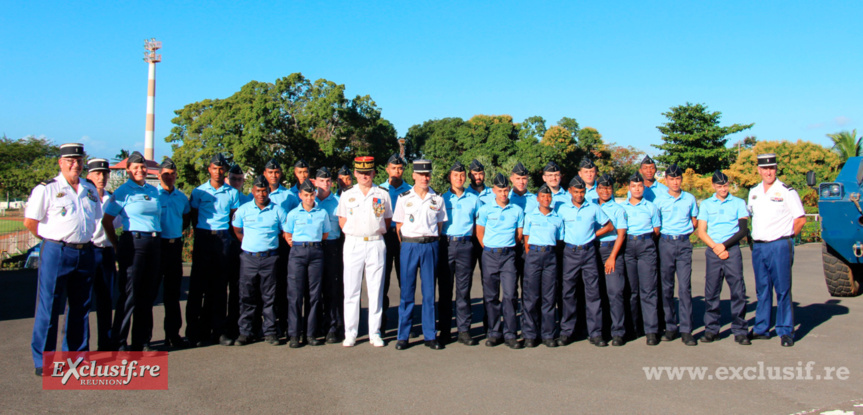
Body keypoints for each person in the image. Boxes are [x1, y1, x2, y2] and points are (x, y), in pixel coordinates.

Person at [24, 143, 101, 376]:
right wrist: (51, 240)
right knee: (49, 305)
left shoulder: (89, 188)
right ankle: (44, 360)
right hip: (57, 251)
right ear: (61, 162)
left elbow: (95, 218)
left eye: (79, 160)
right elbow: (31, 222)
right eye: (70, 160)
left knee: (80, 307)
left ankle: (76, 356)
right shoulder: (47, 189)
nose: (75, 165)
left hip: (84, 251)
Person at [102, 151, 162, 351]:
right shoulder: (122, 192)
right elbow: (107, 221)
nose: (140, 170)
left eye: (142, 167)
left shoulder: (153, 190)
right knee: (130, 295)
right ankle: (119, 342)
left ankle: (141, 342)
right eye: (135, 167)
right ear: (128, 170)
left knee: (147, 294)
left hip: (153, 242)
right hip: (134, 243)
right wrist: (117, 245)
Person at [747, 153, 806, 347]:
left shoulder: (787, 191)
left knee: (782, 289)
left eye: (771, 168)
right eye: (764, 169)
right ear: (759, 170)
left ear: (776, 169)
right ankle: (761, 328)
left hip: (779, 245)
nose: (768, 172)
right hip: (759, 246)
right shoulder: (753, 192)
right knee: (762, 289)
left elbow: (800, 219)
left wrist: (787, 236)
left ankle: (785, 330)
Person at [337, 156, 393, 347]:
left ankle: (374, 332)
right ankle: (350, 332)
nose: (364, 176)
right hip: (354, 243)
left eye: (367, 172)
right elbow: (342, 220)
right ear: (355, 173)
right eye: (361, 172)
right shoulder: (347, 194)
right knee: (351, 290)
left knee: (376, 290)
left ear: (374, 173)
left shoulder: (382, 194)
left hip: (375, 242)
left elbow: (387, 220)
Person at [187, 153, 241, 347]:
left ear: (224, 170)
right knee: (198, 287)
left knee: (219, 287)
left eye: (221, 168)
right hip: (204, 236)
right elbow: (194, 216)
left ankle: (218, 331)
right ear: (209, 169)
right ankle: (194, 332)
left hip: (223, 237)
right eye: (214, 168)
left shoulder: (232, 193)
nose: (218, 172)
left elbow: (233, 217)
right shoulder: (199, 192)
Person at [392, 160, 447, 350]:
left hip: (430, 245)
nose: (425, 178)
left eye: (427, 174)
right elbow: (399, 226)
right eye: (421, 175)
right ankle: (403, 336)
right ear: (414, 175)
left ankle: (430, 335)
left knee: (429, 292)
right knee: (407, 292)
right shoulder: (403, 198)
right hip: (410, 245)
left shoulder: (437, 199)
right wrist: (408, 243)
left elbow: (439, 225)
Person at [556, 176, 613, 347]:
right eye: (576, 192)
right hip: (570, 252)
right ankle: (567, 331)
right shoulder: (562, 209)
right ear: (570, 191)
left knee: (593, 293)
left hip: (588, 252)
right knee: (568, 293)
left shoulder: (593, 208)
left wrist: (593, 235)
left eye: (582, 192)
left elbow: (609, 226)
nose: (579, 195)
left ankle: (595, 333)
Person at [696, 171, 751, 345]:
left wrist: (724, 246)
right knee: (711, 292)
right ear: (713, 186)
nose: (723, 189)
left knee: (738, 291)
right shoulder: (706, 204)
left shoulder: (738, 203)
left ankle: (740, 330)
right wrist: (716, 248)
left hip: (731, 250)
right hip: (714, 251)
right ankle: (711, 330)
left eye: (725, 185)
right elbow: (701, 231)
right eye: (719, 186)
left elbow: (743, 230)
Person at [231, 175, 287, 346]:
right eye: (258, 191)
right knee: (247, 296)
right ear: (252, 191)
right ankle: (246, 332)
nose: (261, 194)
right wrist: (250, 245)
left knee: (270, 297)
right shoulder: (243, 210)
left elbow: (284, 232)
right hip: (249, 259)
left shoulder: (278, 210)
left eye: (264, 191)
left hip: (270, 258)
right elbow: (237, 230)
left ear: (268, 191)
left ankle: (270, 331)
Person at [476, 173, 525, 349]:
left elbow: (519, 234)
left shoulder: (517, 210)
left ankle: (510, 333)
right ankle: (494, 333)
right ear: (494, 190)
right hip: (490, 254)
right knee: (491, 296)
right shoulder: (485, 209)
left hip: (508, 255)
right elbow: (479, 233)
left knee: (510, 295)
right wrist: (490, 247)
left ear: (509, 190)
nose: (503, 194)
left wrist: (506, 246)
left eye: (505, 190)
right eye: (500, 190)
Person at [653, 164, 698, 346]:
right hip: (666, 243)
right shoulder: (659, 200)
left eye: (678, 178)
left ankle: (686, 330)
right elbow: (656, 224)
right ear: (666, 180)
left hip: (683, 243)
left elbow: (694, 221)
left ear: (681, 179)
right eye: (671, 179)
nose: (675, 182)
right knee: (667, 287)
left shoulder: (689, 198)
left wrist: (683, 235)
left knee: (685, 287)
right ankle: (670, 327)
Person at [438, 161, 481, 346]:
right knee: (445, 290)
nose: (459, 178)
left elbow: (479, 224)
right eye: (456, 175)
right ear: (450, 177)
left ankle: (464, 330)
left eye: (462, 175)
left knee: (464, 291)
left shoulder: (474, 199)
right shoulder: (442, 199)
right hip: (446, 245)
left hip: (465, 246)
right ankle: (445, 331)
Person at [284, 179, 331, 347]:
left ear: (315, 194)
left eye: (311, 194)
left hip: (316, 252)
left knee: (314, 295)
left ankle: (311, 334)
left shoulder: (322, 213)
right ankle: (294, 334)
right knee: (295, 295)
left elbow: (325, 234)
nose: (309, 198)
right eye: (306, 195)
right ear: (300, 195)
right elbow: (287, 233)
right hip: (298, 252)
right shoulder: (293, 214)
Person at [621, 171, 662, 345]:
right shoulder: (622, 207)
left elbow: (656, 230)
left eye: (639, 186)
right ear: (629, 188)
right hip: (628, 246)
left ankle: (651, 330)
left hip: (646, 245)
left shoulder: (651, 207)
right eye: (634, 186)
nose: (637, 189)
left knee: (648, 289)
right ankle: (633, 328)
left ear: (644, 188)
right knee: (631, 290)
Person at [521, 184, 563, 348]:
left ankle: (548, 334)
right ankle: (530, 334)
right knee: (531, 297)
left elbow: (559, 240)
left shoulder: (557, 218)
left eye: (549, 196)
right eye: (543, 196)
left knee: (549, 297)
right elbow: (526, 238)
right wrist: (531, 255)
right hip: (534, 254)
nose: (546, 199)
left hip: (550, 255)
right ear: (537, 199)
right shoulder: (530, 216)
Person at [86, 158, 121, 351]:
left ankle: (105, 343)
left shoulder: (112, 198)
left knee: (106, 300)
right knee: (82, 302)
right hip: (88, 250)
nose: (102, 177)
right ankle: (80, 346)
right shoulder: (83, 196)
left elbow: (117, 223)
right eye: (97, 173)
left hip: (106, 251)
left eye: (105, 174)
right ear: (89, 175)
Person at [156, 158, 191, 349]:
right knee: (150, 293)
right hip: (157, 245)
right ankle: (144, 338)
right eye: (166, 174)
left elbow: (185, 219)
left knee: (173, 293)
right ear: (159, 175)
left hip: (174, 245)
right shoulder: (153, 195)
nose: (169, 177)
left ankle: (173, 335)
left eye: (172, 174)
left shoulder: (181, 198)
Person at [262, 158, 297, 337]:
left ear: (281, 174)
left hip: (283, 243)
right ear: (264, 174)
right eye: (270, 172)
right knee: (266, 287)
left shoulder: (289, 196)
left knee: (282, 284)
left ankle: (283, 323)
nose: (273, 175)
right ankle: (264, 324)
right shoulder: (258, 192)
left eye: (276, 172)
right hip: (265, 243)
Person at [378, 153, 411, 336]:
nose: (397, 171)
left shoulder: (410, 190)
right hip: (384, 236)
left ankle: (406, 323)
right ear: (387, 169)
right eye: (393, 168)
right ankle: (381, 324)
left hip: (403, 237)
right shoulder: (379, 190)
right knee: (382, 281)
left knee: (405, 281)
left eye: (400, 168)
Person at [595, 174, 628, 346]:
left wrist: (612, 257)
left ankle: (618, 331)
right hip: (593, 250)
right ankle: (600, 331)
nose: (605, 191)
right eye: (602, 188)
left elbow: (621, 234)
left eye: (608, 188)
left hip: (611, 249)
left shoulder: (618, 209)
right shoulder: (591, 206)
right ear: (597, 189)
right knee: (596, 293)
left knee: (615, 292)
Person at [314, 167, 344, 343]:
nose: (325, 184)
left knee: (332, 288)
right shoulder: (309, 201)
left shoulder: (339, 202)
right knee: (314, 289)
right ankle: (316, 325)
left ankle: (333, 326)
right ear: (315, 182)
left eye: (328, 181)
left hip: (333, 247)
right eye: (321, 181)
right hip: (314, 247)